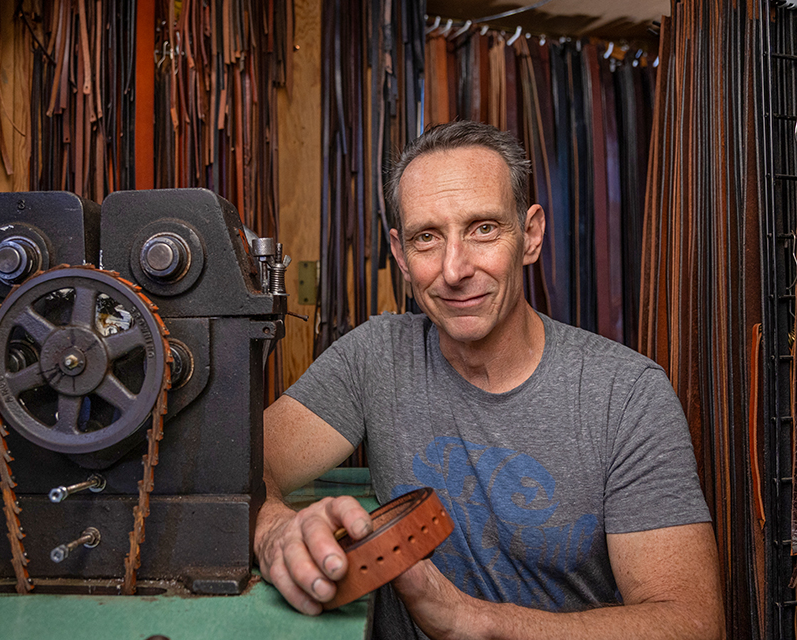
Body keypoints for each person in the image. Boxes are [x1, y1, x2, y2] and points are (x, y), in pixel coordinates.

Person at [253, 121, 724, 640]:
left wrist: (469, 621)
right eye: (426, 238)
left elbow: (692, 624)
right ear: (401, 257)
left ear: (532, 235)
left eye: (483, 229)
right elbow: (237, 467)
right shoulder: (376, 357)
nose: (454, 269)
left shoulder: (626, 395)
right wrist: (274, 529)